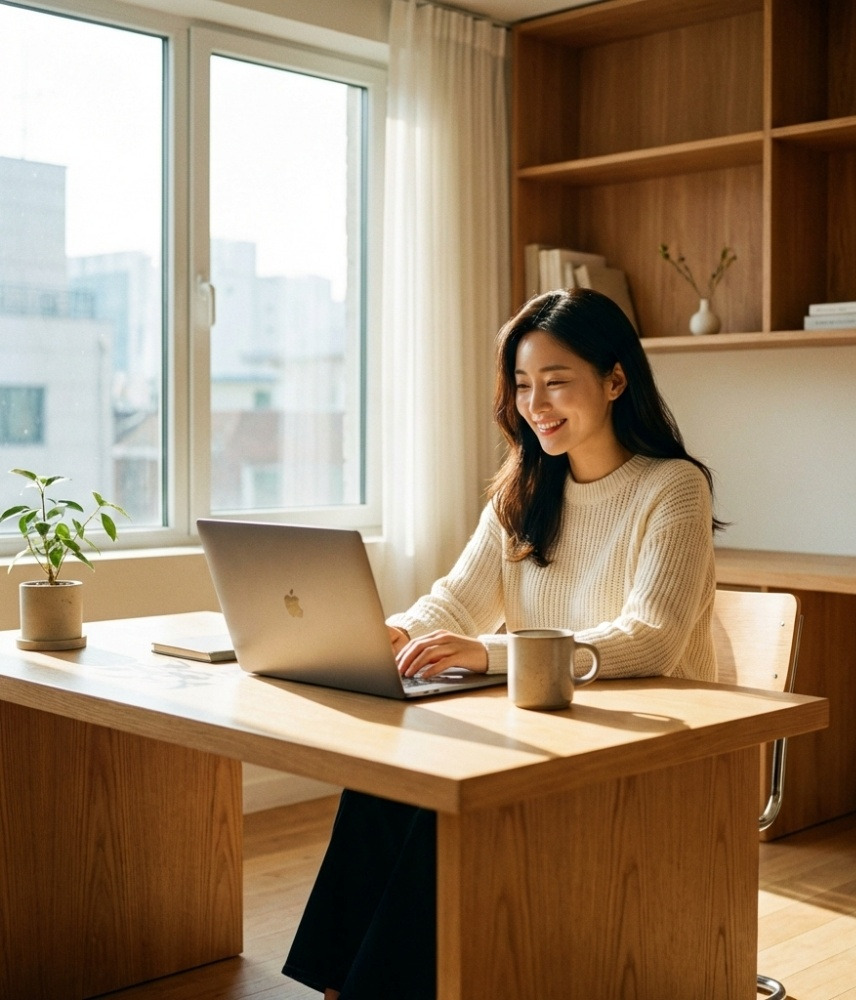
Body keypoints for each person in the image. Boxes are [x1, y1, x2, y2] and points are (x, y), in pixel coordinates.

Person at [282, 287, 723, 999]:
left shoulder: (672, 489)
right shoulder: (523, 489)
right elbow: (456, 601)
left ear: (616, 380)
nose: (536, 403)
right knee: (388, 780)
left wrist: (488, 653)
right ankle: (338, 985)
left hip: (649, 753)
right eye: (522, 385)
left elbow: (652, 642)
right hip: (546, 730)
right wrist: (391, 631)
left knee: (446, 802)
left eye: (556, 382)